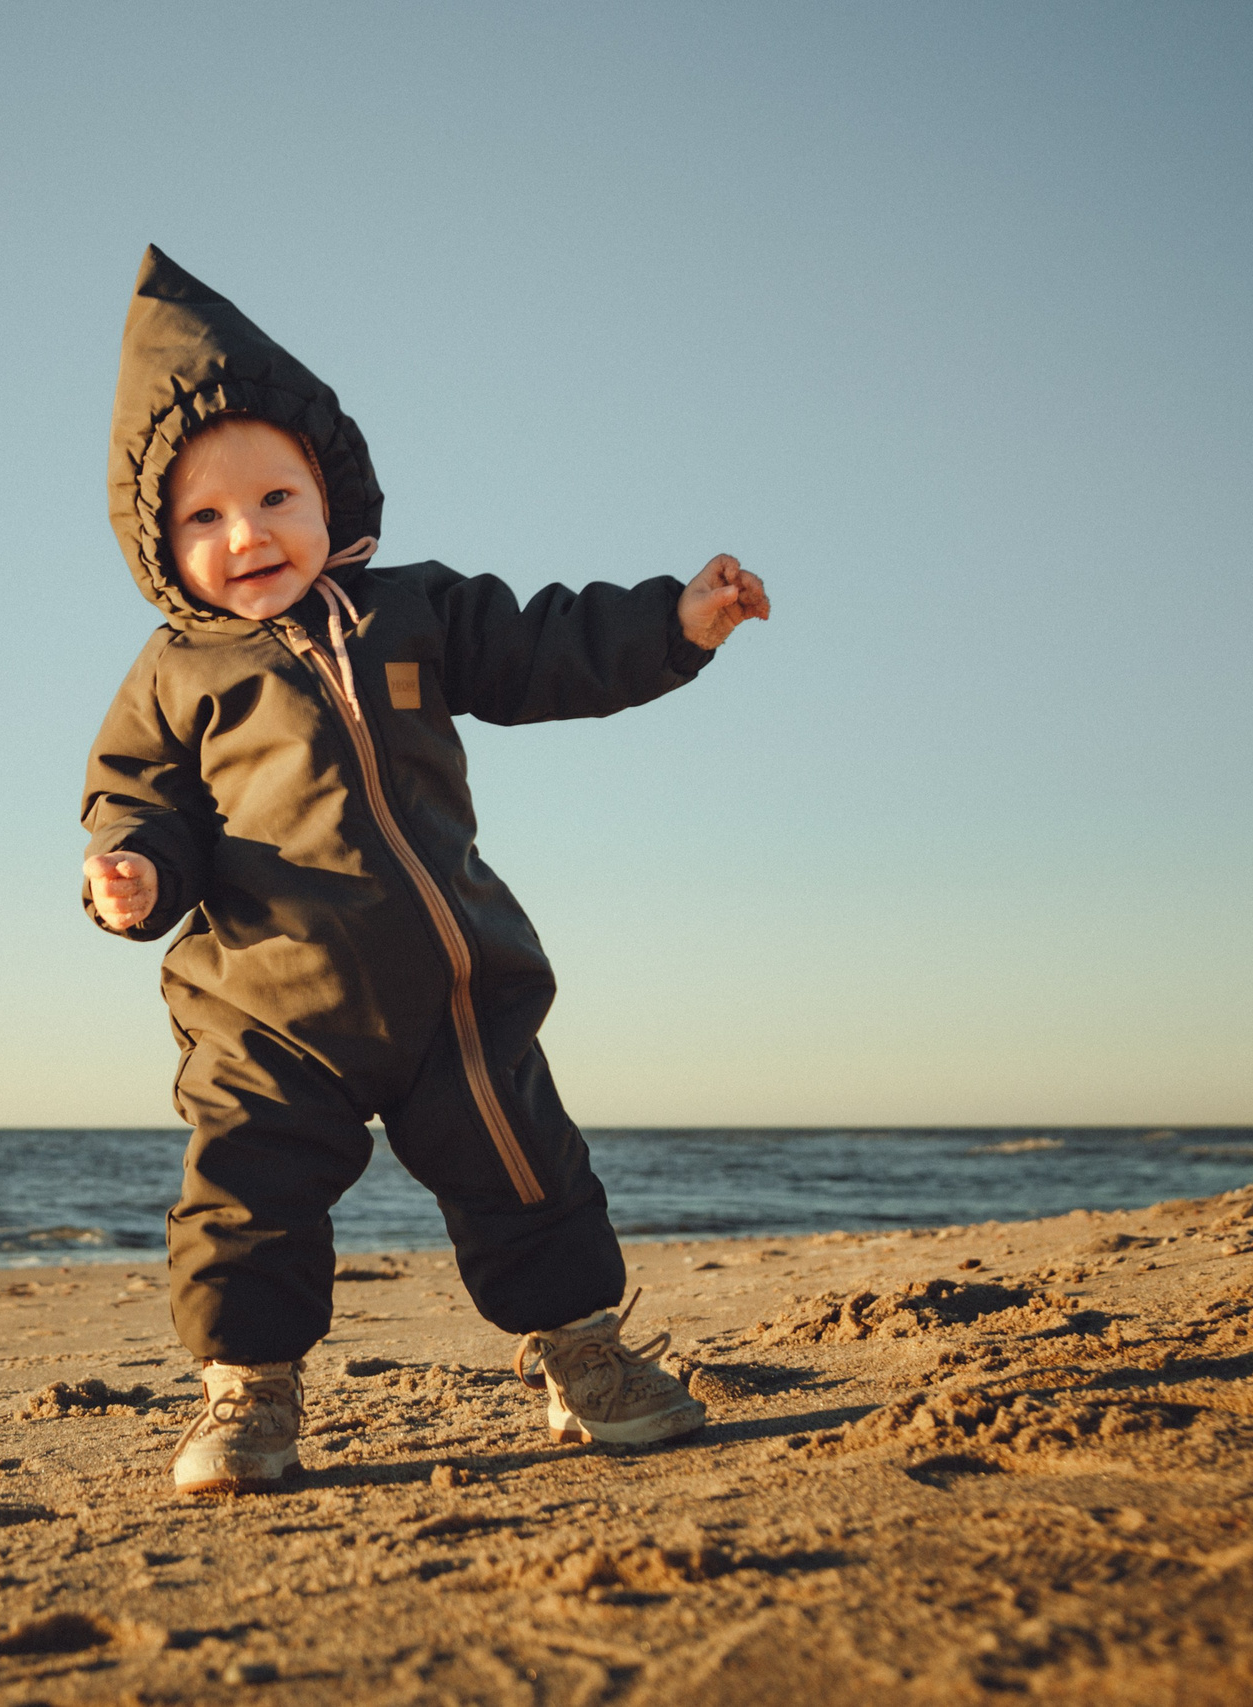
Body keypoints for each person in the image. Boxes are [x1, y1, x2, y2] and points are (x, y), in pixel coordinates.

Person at [81, 248, 769, 1495]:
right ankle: (249, 1396)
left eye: (276, 497)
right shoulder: (179, 674)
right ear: (157, 540)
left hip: (455, 987)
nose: (247, 534)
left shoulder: (415, 612)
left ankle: (583, 1358)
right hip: (265, 1008)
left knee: (530, 1173)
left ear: (329, 492)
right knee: (245, 1194)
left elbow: (544, 649)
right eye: (204, 516)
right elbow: (141, 799)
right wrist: (129, 868)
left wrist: (673, 623)